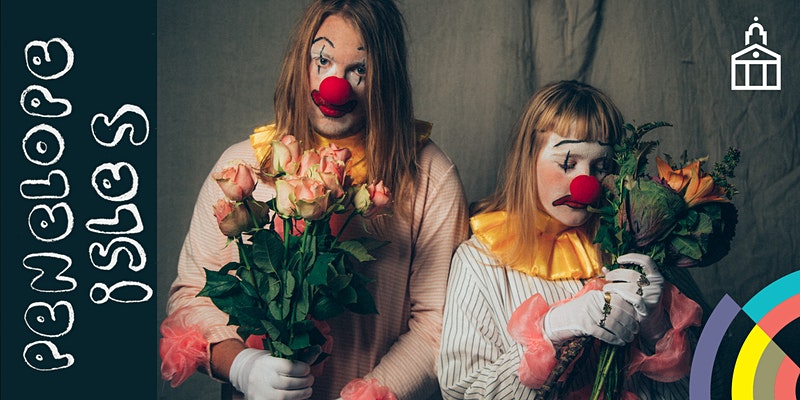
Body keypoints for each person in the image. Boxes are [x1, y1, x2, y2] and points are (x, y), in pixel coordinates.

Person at [159, 1, 469, 399]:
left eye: (360, 69)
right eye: (322, 60)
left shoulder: (429, 177)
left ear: (386, 76)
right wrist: (242, 366)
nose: (335, 84)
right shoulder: (241, 167)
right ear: (301, 63)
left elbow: (438, 324)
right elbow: (191, 294)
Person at [437, 80, 700, 399]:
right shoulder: (478, 262)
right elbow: (462, 393)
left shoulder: (639, 248)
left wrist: (657, 327)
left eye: (600, 166)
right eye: (568, 163)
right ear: (528, 160)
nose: (585, 184)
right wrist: (548, 332)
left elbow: (706, 385)